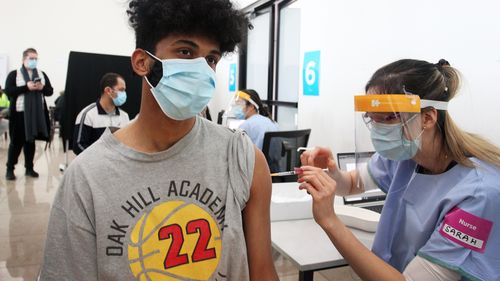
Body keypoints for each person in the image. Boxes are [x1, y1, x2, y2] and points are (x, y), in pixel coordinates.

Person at [40, 0, 279, 280]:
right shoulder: (87, 178)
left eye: (211, 59)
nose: (202, 69)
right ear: (143, 62)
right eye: (185, 51)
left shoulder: (243, 158)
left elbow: (262, 271)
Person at [298, 59, 500, 281]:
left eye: (390, 117)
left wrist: (330, 221)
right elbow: (355, 184)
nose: (379, 129)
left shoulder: (479, 194)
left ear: (428, 117)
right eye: (372, 118)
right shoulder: (406, 153)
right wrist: (332, 173)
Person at [4, 48, 53, 180]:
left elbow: (50, 91)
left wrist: (42, 88)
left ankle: (29, 168)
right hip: (20, 114)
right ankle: (10, 169)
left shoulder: (42, 74)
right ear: (24, 59)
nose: (34, 61)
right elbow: (8, 91)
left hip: (37, 114)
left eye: (36, 58)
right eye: (31, 58)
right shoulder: (14, 74)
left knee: (30, 142)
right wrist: (27, 87)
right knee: (16, 142)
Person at [72, 73, 130, 155]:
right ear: (108, 91)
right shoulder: (88, 114)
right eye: (121, 90)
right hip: (94, 166)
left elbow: (127, 144)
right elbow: (78, 146)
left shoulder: (124, 116)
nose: (124, 94)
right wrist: (100, 160)